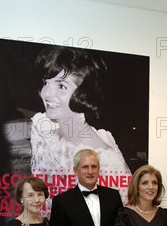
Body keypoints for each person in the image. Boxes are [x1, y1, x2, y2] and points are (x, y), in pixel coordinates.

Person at [30, 45, 132, 208]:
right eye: (45, 83)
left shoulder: (106, 162)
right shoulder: (42, 129)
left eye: (61, 86)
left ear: (84, 94)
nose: (46, 93)